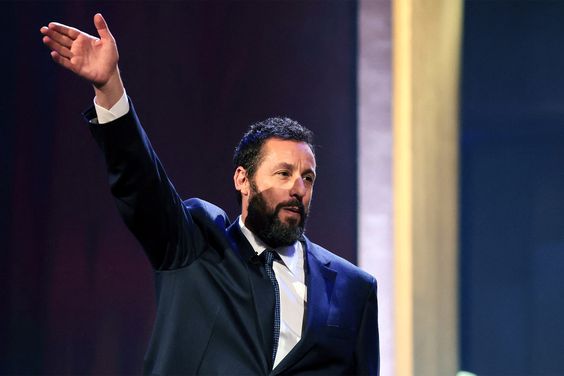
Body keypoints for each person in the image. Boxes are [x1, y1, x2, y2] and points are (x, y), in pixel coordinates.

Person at [40, 13, 379, 375]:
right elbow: (141, 183)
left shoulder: (353, 288)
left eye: (308, 178)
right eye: (283, 173)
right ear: (242, 180)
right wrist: (110, 88)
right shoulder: (197, 243)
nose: (298, 188)